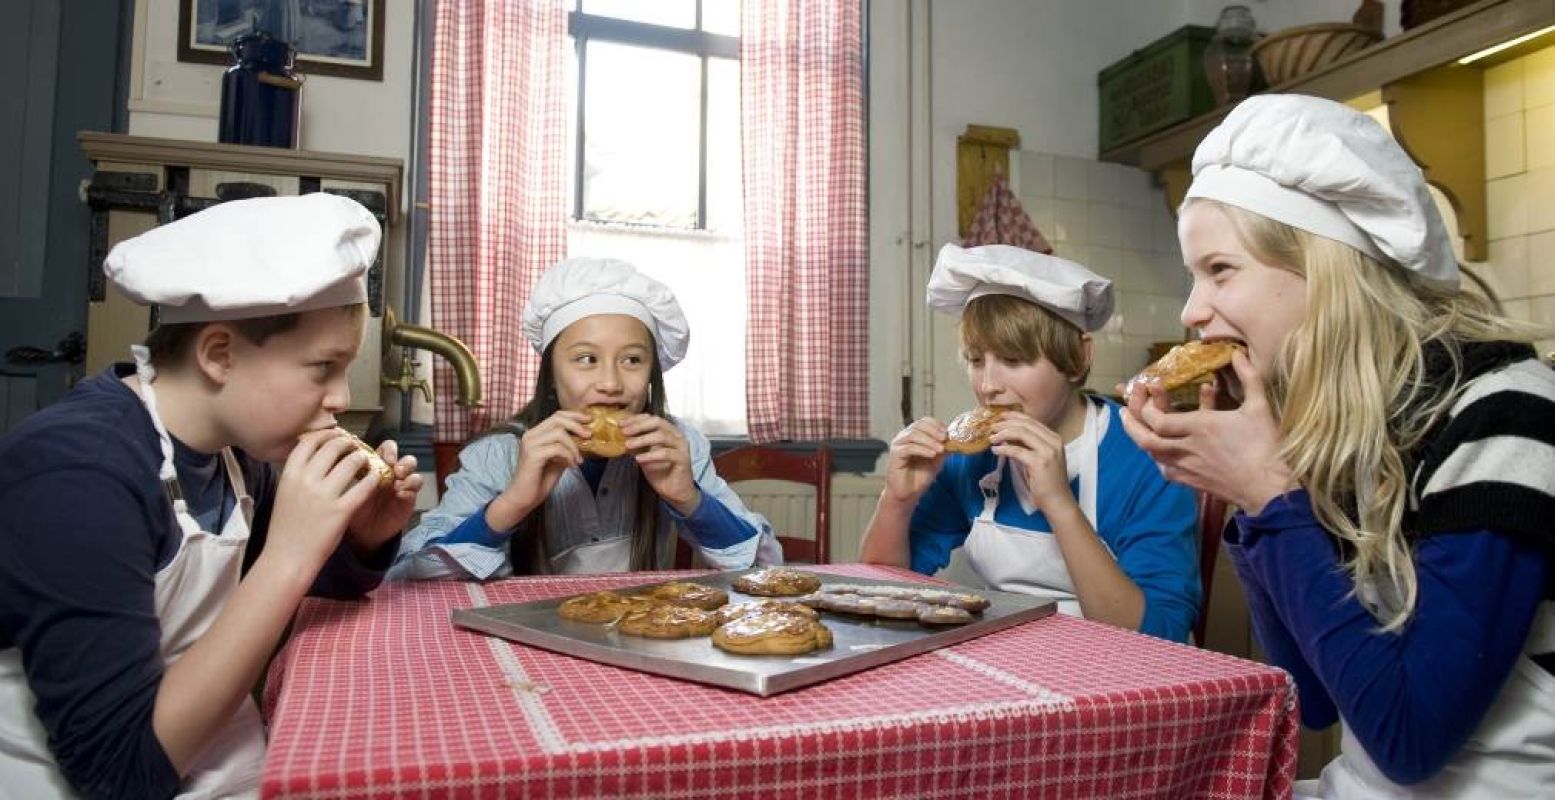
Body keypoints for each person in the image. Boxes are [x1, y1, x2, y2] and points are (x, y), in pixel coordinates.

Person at [1121, 94, 1555, 796]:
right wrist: (1254, 504)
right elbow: (1318, 697)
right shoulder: (1356, 429)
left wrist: (1269, 495)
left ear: (1326, 269)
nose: (1189, 311)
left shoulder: (1505, 415)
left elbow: (1409, 738)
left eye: (1219, 270)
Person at [0, 193, 423, 799]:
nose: (339, 398)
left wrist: (364, 532)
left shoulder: (239, 449)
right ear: (218, 354)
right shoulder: (74, 476)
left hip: (224, 767)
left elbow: (310, 586)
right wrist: (288, 558)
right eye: (323, 367)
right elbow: (119, 775)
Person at [858, 244, 1201, 642]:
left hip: (1123, 676)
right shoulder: (971, 460)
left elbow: (1159, 637)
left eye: (1014, 360)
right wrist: (896, 502)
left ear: (1078, 356)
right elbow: (886, 589)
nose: (988, 386)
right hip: (1014, 656)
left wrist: (1058, 503)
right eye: (975, 360)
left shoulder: (1148, 456)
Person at [390, 257, 779, 579]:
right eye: (586, 359)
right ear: (552, 377)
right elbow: (410, 577)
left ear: (650, 376)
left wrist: (687, 497)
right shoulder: (500, 454)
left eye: (631, 360)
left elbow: (765, 567)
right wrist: (513, 503)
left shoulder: (677, 444)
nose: (610, 383)